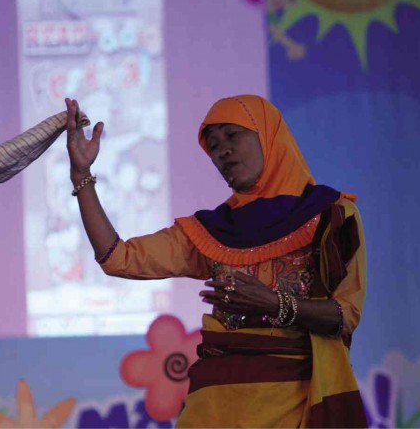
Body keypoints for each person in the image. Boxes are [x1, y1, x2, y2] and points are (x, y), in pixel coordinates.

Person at [65, 95, 367, 427]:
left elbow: (345, 315)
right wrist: (81, 175)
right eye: (213, 145)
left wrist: (274, 303)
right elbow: (117, 257)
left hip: (297, 402)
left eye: (232, 135)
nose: (222, 151)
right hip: (214, 407)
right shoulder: (212, 231)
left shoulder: (332, 217)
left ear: (269, 135)